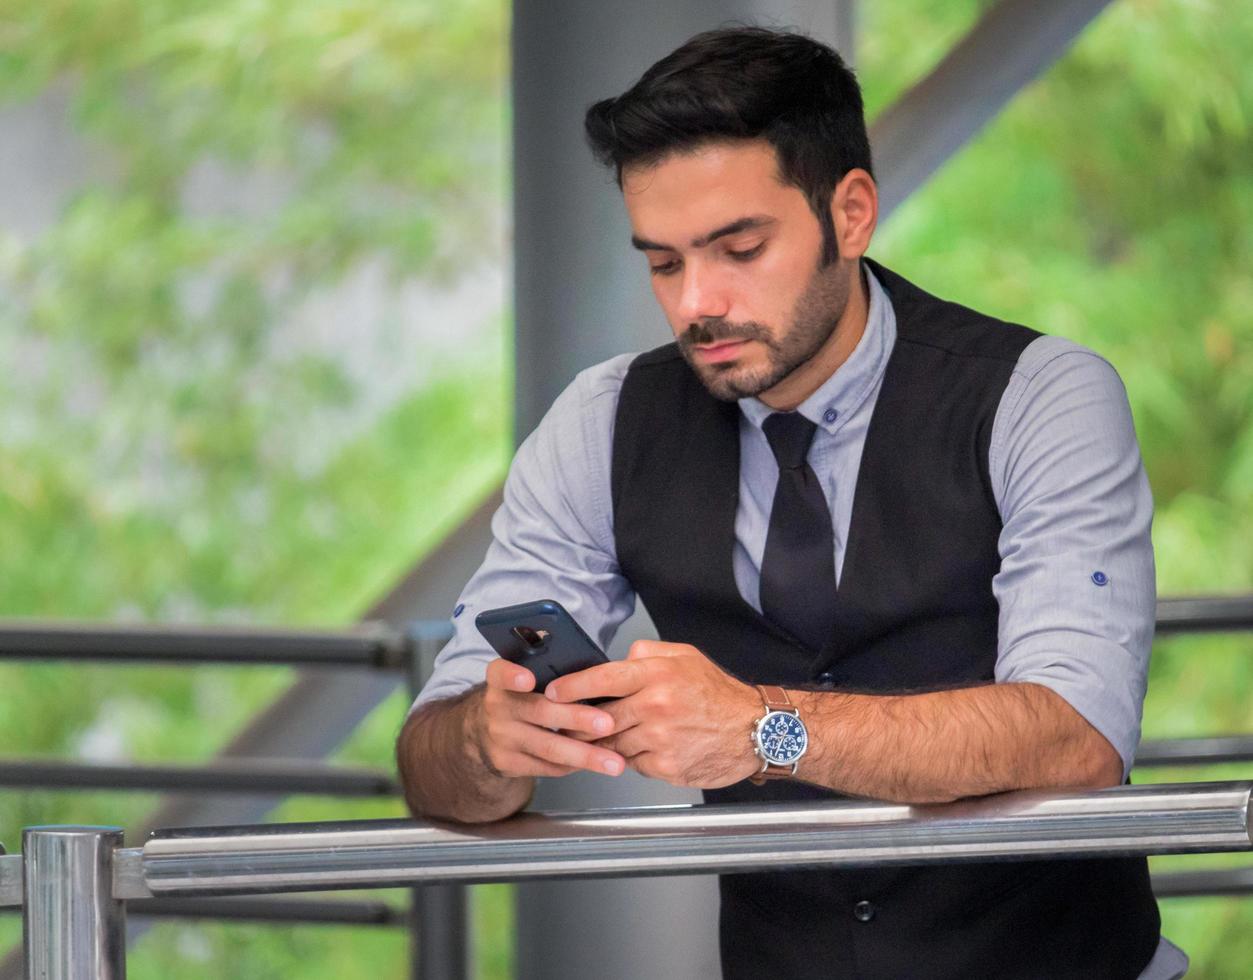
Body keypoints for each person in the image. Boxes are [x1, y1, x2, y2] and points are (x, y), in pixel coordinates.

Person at [397, 26, 1186, 979]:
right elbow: (435, 768)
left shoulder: (1038, 395)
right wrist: (488, 746)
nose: (697, 303)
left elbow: (1076, 740)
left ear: (850, 213)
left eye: (738, 248)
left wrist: (759, 730)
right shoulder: (603, 423)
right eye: (663, 262)